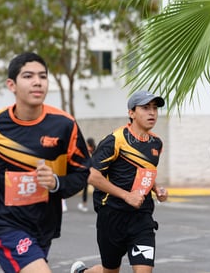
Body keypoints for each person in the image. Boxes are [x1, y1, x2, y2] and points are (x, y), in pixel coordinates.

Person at [0, 52, 91, 273]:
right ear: (12, 85)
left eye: (43, 76)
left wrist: (56, 183)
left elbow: (82, 171)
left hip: (44, 225)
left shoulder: (65, 125)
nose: (37, 82)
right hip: (4, 224)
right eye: (28, 76)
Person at [71, 91, 169, 273]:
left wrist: (157, 189)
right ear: (131, 113)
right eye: (145, 108)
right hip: (112, 216)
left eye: (155, 108)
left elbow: (145, 170)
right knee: (110, 271)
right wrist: (127, 196)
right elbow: (92, 175)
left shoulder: (156, 143)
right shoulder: (115, 140)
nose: (152, 113)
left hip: (142, 218)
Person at [77, 137, 96, 212]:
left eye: (87, 144)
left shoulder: (94, 152)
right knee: (85, 188)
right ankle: (84, 204)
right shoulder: (88, 151)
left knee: (96, 189)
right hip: (88, 173)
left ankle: (97, 203)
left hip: (92, 173)